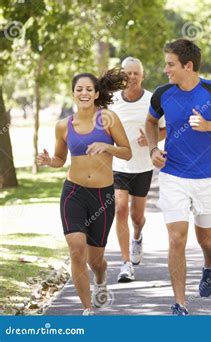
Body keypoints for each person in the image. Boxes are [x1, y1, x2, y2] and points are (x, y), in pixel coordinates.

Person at [145, 39, 211, 315]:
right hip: (173, 174)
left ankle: (209, 264)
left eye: (171, 64)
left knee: (205, 239)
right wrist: (153, 149)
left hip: (207, 177)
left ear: (188, 66)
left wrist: (210, 126)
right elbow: (151, 122)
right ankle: (179, 303)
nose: (166, 70)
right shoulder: (163, 94)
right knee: (176, 238)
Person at [37, 68, 131, 315]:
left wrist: (106, 146)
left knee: (95, 260)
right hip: (73, 193)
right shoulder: (63, 126)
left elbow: (127, 151)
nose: (84, 93)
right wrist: (50, 161)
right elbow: (60, 158)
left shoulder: (108, 119)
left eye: (89, 89)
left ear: (96, 92)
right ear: (73, 94)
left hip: (102, 196)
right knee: (77, 250)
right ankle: (87, 308)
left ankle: (101, 277)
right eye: (79, 89)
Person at [110, 57, 166, 283]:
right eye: (128, 73)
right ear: (121, 75)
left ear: (142, 76)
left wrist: (150, 141)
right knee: (120, 209)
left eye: (136, 73)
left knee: (137, 216)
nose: (132, 77)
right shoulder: (112, 101)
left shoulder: (153, 100)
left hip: (143, 166)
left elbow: (164, 130)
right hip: (119, 165)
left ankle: (137, 236)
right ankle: (125, 264)